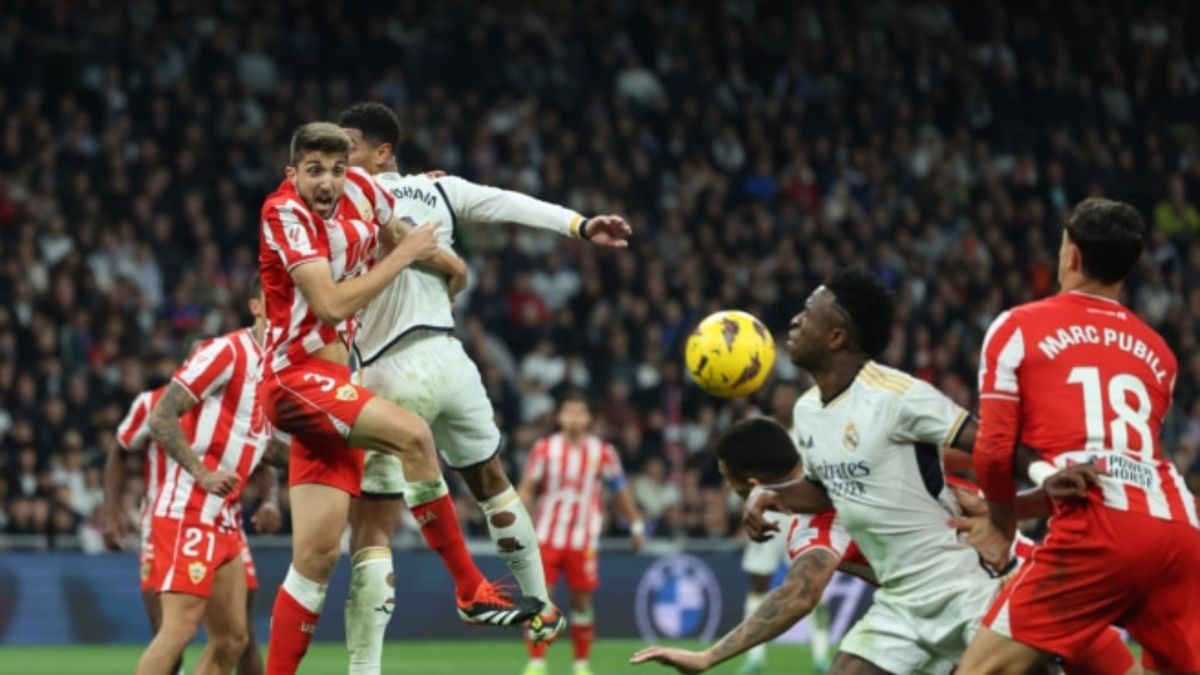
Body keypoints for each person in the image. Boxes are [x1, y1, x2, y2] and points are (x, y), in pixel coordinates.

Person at [335, 101, 633, 674]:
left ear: (381, 152)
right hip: (451, 359)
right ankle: (541, 605)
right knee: (492, 482)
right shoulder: (439, 191)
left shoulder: (346, 198)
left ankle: (364, 668)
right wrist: (580, 224)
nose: (339, 158)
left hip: (387, 368)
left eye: (349, 146)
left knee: (373, 521)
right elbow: (509, 204)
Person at [258, 122, 540, 675]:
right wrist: (405, 252)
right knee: (414, 435)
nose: (329, 182)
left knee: (314, 561)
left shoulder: (365, 192)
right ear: (293, 174)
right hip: (296, 380)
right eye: (314, 169)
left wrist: (452, 267)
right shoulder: (283, 213)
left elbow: (406, 232)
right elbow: (332, 306)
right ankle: (469, 587)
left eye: (338, 170)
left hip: (337, 391)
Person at [631, 417, 1136, 675]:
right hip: (925, 606)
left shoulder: (818, 521)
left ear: (753, 479)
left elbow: (800, 594)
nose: (728, 488)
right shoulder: (845, 451)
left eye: (728, 479)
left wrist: (709, 656)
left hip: (1004, 588)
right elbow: (965, 449)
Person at [962, 197, 1200, 674]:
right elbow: (1106, 463)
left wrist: (1003, 524)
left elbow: (992, 451)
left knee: (980, 670)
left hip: (1098, 533)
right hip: (1179, 528)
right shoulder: (1159, 353)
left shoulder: (1017, 327)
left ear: (1070, 255)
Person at [735, 268, 1005, 674]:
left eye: (808, 312)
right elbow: (825, 489)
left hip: (971, 577)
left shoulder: (896, 398)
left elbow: (993, 448)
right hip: (903, 601)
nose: (795, 320)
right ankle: (762, 661)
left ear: (838, 337)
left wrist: (1007, 516)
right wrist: (778, 494)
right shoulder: (810, 412)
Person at [124, 277, 281, 675]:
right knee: (178, 630)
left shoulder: (278, 369)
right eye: (275, 295)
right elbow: (161, 416)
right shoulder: (227, 351)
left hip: (225, 518)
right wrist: (202, 472)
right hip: (188, 507)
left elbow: (266, 447)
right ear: (256, 306)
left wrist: (336, 453)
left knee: (233, 640)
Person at [517, 392, 645, 675]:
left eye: (580, 412)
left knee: (581, 600)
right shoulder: (544, 449)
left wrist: (636, 523)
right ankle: (537, 661)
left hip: (583, 539)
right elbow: (528, 486)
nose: (574, 418)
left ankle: (581, 663)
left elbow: (621, 490)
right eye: (569, 412)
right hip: (546, 536)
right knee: (540, 598)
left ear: (589, 418)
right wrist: (515, 516)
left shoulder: (603, 452)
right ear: (560, 417)